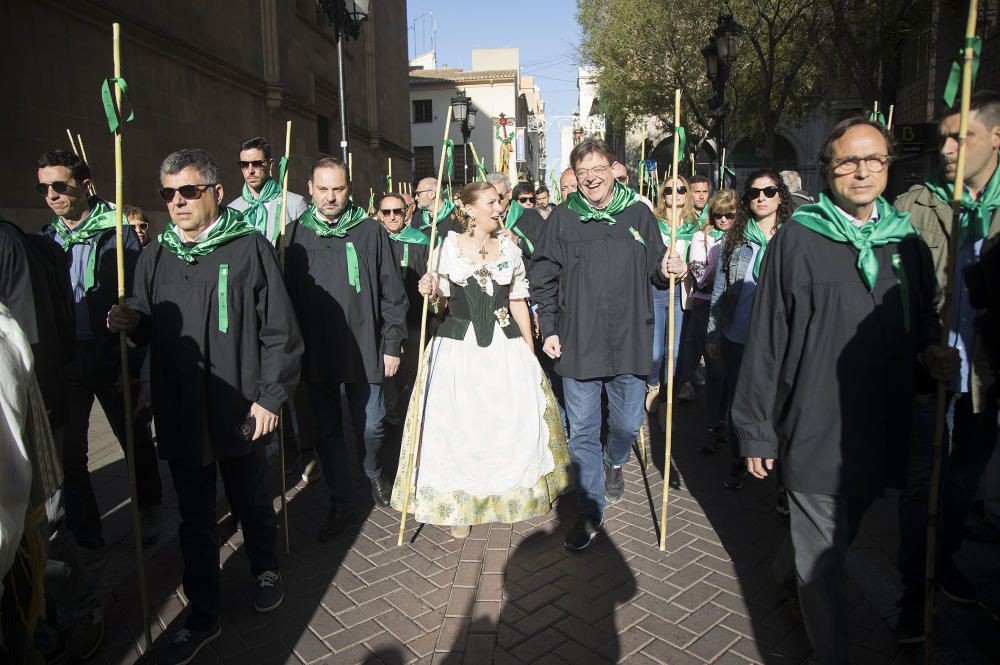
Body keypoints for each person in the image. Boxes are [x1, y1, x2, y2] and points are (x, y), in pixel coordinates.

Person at [733, 118, 948, 665]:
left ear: (888, 165)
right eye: (848, 161)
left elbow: (923, 322)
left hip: (878, 424)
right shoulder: (798, 240)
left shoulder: (907, 243)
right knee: (824, 563)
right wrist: (756, 430)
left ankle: (786, 570)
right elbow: (766, 341)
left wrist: (933, 353)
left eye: (874, 159)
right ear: (827, 170)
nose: (862, 170)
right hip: (812, 423)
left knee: (839, 533)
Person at [107, 148, 303, 665]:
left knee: (250, 499)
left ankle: (265, 567)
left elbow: (280, 331)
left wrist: (269, 397)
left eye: (188, 191)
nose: (177, 202)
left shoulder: (249, 248)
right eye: (168, 194)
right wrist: (132, 324)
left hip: (239, 403)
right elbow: (149, 322)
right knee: (194, 516)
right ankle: (204, 610)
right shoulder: (155, 256)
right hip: (181, 408)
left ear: (216, 192)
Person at [390, 182, 573, 538]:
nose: (499, 207)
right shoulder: (447, 248)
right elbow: (440, 306)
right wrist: (429, 289)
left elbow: (518, 301)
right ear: (470, 209)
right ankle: (460, 507)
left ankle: (505, 493)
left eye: (500, 201)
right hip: (458, 350)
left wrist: (529, 354)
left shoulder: (510, 248)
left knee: (503, 423)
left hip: (505, 348)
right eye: (491, 202)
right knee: (460, 426)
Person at [891, 89, 1000, 641]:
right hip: (929, 377)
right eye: (944, 139)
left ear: (996, 138)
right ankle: (915, 590)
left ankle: (944, 559)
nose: (949, 149)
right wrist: (918, 349)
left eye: (964, 136)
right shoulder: (916, 205)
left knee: (961, 483)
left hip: (983, 381)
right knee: (920, 486)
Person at [532, 138, 677, 550]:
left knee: (628, 424)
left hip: (630, 338)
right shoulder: (562, 218)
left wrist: (669, 269)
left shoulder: (638, 214)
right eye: (582, 172)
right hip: (579, 343)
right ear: (575, 179)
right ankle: (591, 510)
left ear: (614, 170)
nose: (591, 177)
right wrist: (552, 328)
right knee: (582, 432)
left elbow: (657, 269)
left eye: (597, 168)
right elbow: (544, 279)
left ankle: (615, 461)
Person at [37, 149, 163, 554]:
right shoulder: (47, 239)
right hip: (69, 359)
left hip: (113, 354)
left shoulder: (117, 231)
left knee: (133, 436)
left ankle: (149, 507)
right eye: (44, 188)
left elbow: (142, 298)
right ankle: (88, 534)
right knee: (69, 454)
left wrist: (140, 362)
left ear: (85, 185)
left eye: (60, 185)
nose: (52, 195)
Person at [284, 157, 407, 541]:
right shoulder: (292, 235)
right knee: (326, 432)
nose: (330, 196)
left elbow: (392, 293)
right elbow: (281, 301)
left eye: (337, 188)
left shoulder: (370, 232)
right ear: (310, 188)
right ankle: (342, 502)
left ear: (348, 188)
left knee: (371, 424)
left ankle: (372, 470)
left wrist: (391, 344)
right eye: (323, 189)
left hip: (364, 347)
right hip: (315, 352)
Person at [706, 170, 792, 490]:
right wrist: (713, 333)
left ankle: (784, 481)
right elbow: (719, 289)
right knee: (740, 405)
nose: (761, 198)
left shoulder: (792, 238)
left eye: (769, 191)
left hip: (779, 341)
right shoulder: (736, 239)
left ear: (780, 196)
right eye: (755, 193)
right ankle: (739, 460)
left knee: (781, 407)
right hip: (738, 335)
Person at [687, 190, 737, 452]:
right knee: (715, 370)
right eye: (718, 215)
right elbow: (698, 275)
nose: (724, 220)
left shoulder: (741, 238)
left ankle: (725, 419)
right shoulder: (703, 237)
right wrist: (719, 267)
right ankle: (710, 424)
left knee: (732, 371)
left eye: (730, 215)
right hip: (707, 305)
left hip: (735, 308)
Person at [647, 176, 700, 412]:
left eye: (680, 189)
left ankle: (668, 396)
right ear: (662, 194)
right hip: (657, 290)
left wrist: (686, 268)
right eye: (669, 189)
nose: (675, 193)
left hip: (682, 290)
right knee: (656, 351)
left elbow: (700, 260)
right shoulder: (653, 223)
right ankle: (653, 384)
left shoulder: (695, 226)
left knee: (675, 350)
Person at [377, 192, 430, 427]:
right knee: (388, 371)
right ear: (379, 214)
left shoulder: (421, 240)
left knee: (413, 371)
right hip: (384, 319)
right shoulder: (373, 240)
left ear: (406, 212)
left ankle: (413, 418)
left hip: (414, 318)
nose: (391, 217)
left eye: (397, 211)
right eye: (386, 212)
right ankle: (391, 416)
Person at [228, 136, 308, 244]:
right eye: (244, 165)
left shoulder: (295, 204)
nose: (250, 171)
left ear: (270, 164)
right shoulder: (231, 211)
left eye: (257, 164)